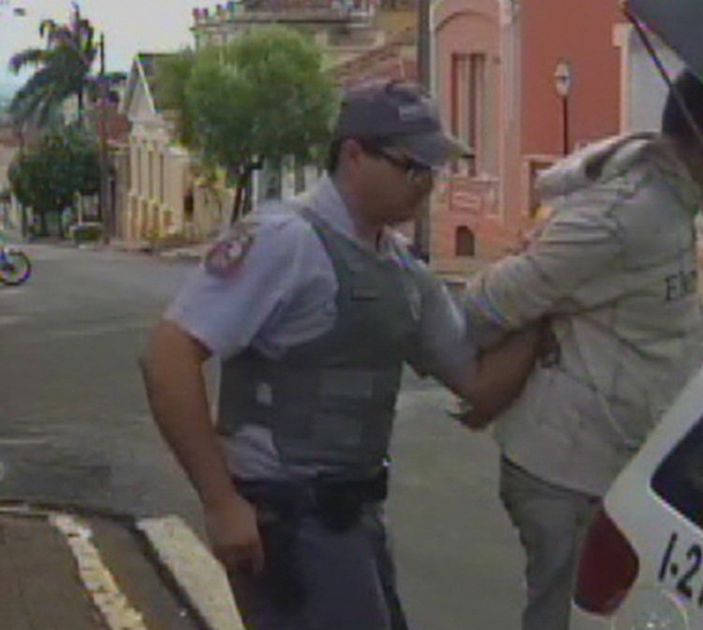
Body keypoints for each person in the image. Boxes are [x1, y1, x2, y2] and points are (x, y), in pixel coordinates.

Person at [140, 80, 542, 630]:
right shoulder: (285, 241)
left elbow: (477, 386)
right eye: (412, 167)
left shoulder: (403, 274)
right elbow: (168, 355)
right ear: (354, 155)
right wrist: (220, 502)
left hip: (350, 518)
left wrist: (546, 291)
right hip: (285, 515)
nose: (426, 185)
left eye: (433, 170)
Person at [459, 70, 703, 630]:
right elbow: (492, 301)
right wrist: (471, 373)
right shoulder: (630, 213)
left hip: (610, 461)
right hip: (564, 469)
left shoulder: (672, 204)